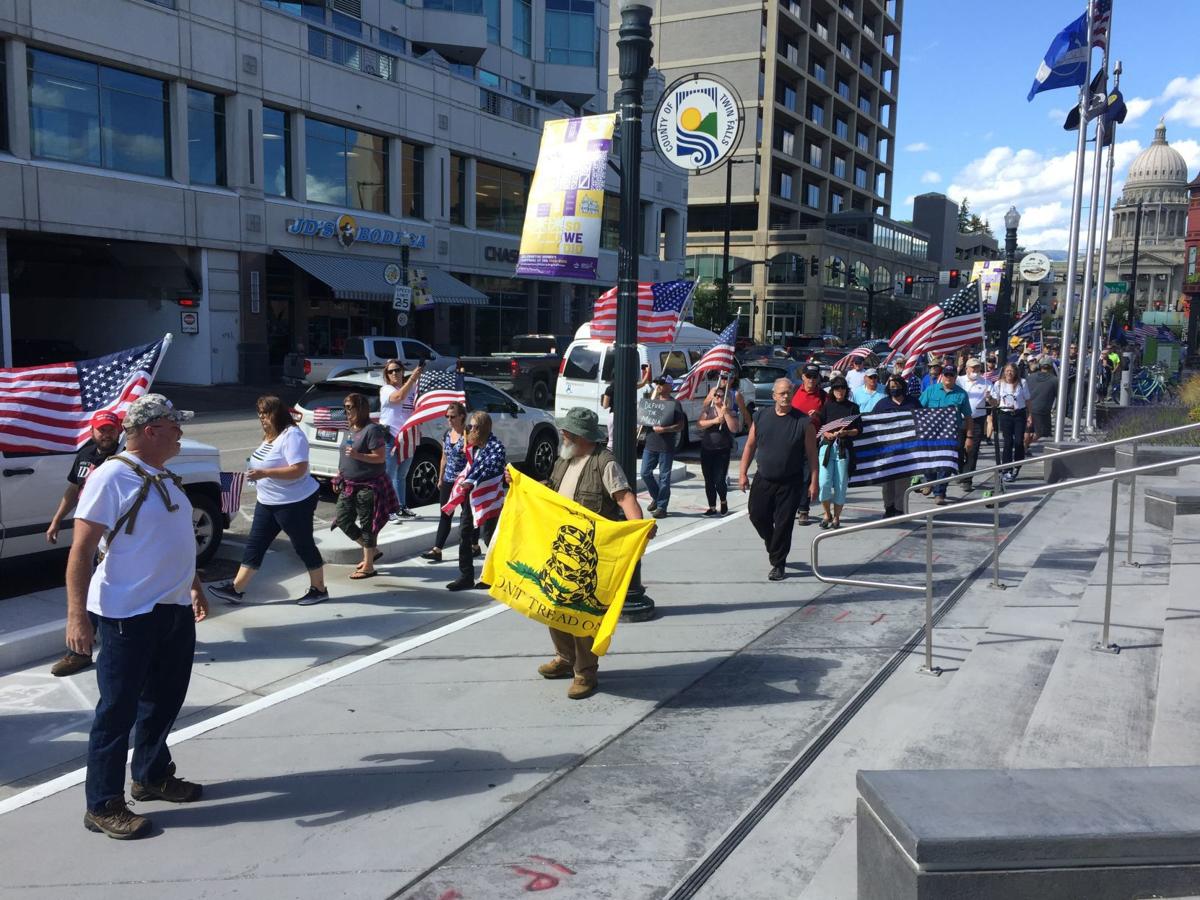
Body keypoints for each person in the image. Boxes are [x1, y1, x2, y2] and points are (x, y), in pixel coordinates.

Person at [65, 394, 209, 840]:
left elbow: (175, 538)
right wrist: (76, 616)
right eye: (174, 426)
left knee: (164, 700)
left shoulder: (162, 476)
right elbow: (82, 550)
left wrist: (195, 585)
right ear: (150, 431)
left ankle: (150, 776)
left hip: (172, 610)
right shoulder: (112, 476)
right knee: (117, 710)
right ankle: (102, 804)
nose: (181, 433)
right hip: (128, 614)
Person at [539, 407, 649, 699]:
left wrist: (637, 530)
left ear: (580, 435)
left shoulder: (604, 462)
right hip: (560, 548)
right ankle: (565, 659)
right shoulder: (565, 459)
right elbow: (549, 491)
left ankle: (585, 673)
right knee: (552, 605)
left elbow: (625, 498)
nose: (562, 434)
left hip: (590, 554)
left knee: (581, 615)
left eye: (567, 431)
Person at [208, 396, 327, 606]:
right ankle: (236, 589)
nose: (263, 418)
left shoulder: (292, 435)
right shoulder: (270, 435)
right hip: (267, 501)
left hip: (294, 501)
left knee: (303, 545)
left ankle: (319, 589)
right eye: (260, 414)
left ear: (278, 413)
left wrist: (264, 473)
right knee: (255, 545)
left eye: (267, 413)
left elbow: (298, 470)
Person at [45, 410, 122, 677]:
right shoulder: (85, 455)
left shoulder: (123, 459)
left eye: (111, 428)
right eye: (101, 429)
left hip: (113, 538)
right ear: (92, 431)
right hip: (89, 535)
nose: (106, 433)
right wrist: (56, 520)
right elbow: (72, 489)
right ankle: (81, 651)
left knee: (102, 591)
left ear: (119, 430)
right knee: (87, 590)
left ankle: (90, 649)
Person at [739, 378, 819, 581]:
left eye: (789, 393)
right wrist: (742, 473)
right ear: (773, 395)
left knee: (783, 525)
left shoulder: (803, 422)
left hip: (790, 483)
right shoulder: (761, 417)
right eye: (782, 393)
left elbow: (812, 455)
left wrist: (814, 481)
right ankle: (773, 545)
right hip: (763, 479)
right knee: (757, 516)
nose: (785, 396)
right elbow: (749, 446)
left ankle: (778, 564)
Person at [332, 392, 398, 578]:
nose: (346, 411)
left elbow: (380, 457)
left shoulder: (372, 430)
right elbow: (344, 455)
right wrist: (339, 474)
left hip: (369, 486)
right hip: (349, 484)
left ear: (360, 409)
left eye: (349, 407)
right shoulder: (350, 428)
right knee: (343, 519)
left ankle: (368, 566)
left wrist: (357, 456)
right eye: (345, 406)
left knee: (368, 525)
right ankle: (372, 551)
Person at [447, 411, 507, 592]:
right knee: (464, 533)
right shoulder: (470, 445)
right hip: (471, 497)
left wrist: (471, 481)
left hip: (488, 498)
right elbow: (457, 460)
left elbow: (490, 468)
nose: (469, 429)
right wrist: (463, 443)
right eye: (469, 426)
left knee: (489, 537)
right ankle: (466, 576)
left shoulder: (496, 447)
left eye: (472, 426)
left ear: (481, 428)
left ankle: (495, 575)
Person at [420, 402, 468, 564]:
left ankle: (474, 545)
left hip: (463, 482)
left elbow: (473, 458)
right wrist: (440, 478)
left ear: (462, 416)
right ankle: (437, 549)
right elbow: (444, 457)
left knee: (467, 516)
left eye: (452, 416)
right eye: (447, 416)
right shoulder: (447, 434)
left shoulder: (468, 435)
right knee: (445, 514)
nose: (449, 419)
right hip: (448, 480)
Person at [919, 365, 973, 505]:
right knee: (928, 460)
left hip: (950, 435)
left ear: (955, 377)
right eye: (946, 374)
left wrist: (969, 436)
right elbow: (919, 409)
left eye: (951, 375)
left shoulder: (961, 394)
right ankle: (930, 481)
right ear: (942, 376)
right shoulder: (930, 391)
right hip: (930, 433)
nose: (948, 377)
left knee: (946, 464)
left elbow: (968, 417)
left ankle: (940, 492)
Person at [379, 359, 423, 522]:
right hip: (391, 436)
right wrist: (412, 379)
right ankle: (386, 510)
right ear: (387, 375)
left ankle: (401, 507)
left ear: (402, 371)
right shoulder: (386, 389)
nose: (394, 373)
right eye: (390, 371)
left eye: (397, 370)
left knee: (402, 475)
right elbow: (398, 397)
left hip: (408, 436)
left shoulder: (411, 389)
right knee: (388, 475)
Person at [818, 374, 860, 529]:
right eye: (836, 388)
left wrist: (847, 433)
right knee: (824, 483)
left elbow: (858, 430)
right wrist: (826, 433)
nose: (839, 391)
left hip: (844, 448)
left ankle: (836, 517)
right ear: (832, 390)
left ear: (846, 390)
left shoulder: (852, 408)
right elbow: (820, 427)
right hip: (827, 448)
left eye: (842, 388)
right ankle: (826, 514)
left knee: (841, 485)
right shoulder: (827, 406)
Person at [697, 373, 741, 516]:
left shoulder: (730, 411)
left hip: (722, 449)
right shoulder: (708, 410)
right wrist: (714, 421)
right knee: (708, 479)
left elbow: (735, 428)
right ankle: (712, 506)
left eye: (720, 396)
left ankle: (723, 501)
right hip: (707, 448)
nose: (717, 398)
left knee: (719, 479)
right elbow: (700, 424)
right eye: (715, 395)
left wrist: (725, 413)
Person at [640, 376, 683, 518]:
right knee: (645, 472)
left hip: (666, 446)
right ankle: (657, 497)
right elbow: (643, 419)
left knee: (664, 477)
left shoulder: (674, 404)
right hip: (651, 443)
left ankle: (662, 507)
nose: (659, 386)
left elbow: (680, 425)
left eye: (662, 384)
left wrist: (665, 429)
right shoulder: (652, 400)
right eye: (658, 383)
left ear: (669, 386)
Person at [789, 363, 826, 527]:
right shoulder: (793, 392)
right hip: (791, 439)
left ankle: (803, 510)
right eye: (808, 376)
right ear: (802, 376)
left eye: (814, 376)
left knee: (806, 476)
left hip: (812, 441)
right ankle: (789, 507)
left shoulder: (824, 396)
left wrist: (818, 415)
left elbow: (829, 419)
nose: (811, 380)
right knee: (789, 474)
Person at [880, 374, 921, 517]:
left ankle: (899, 509)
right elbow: (872, 422)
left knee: (903, 481)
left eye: (897, 386)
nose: (895, 389)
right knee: (887, 482)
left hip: (907, 449)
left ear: (903, 387)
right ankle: (889, 507)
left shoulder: (913, 403)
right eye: (891, 387)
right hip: (888, 449)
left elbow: (921, 421)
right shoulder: (882, 404)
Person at [988, 363, 1032, 482]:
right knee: (1008, 442)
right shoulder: (998, 384)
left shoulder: (1022, 383)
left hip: (1019, 414)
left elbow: (1027, 400)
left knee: (1018, 442)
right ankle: (1006, 468)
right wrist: (989, 398)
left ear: (1016, 372)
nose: (1009, 373)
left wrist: (1030, 415)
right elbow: (995, 402)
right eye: (1007, 371)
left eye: (1011, 371)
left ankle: (1017, 466)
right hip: (1005, 414)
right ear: (1004, 372)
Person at [956, 358, 991, 491]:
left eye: (977, 368)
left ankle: (967, 479)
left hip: (977, 420)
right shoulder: (959, 380)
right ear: (967, 369)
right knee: (958, 448)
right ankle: (961, 471)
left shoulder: (986, 383)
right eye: (972, 368)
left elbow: (994, 403)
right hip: (960, 419)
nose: (975, 370)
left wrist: (990, 398)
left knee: (973, 450)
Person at [1025, 358, 1058, 447]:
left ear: (1040, 366)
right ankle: (1025, 447)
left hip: (1027, 407)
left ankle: (1024, 448)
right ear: (1051, 368)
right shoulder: (1055, 380)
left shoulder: (1030, 377)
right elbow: (1059, 396)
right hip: (1042, 410)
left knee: (1027, 430)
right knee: (1040, 432)